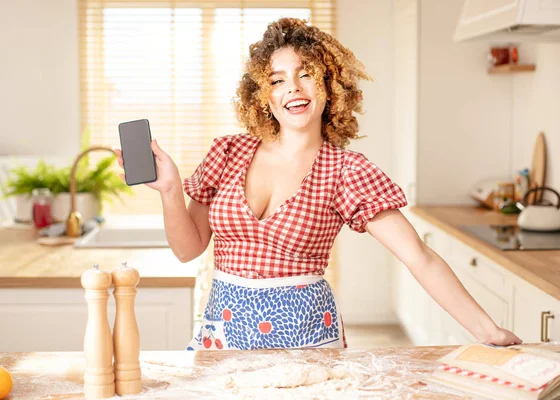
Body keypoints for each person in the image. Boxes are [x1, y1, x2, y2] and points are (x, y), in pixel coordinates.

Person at [115, 18, 522, 350]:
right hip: (224, 340)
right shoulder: (228, 152)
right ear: (263, 96)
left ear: (330, 86)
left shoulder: (346, 170)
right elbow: (188, 250)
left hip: (308, 344)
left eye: (306, 74)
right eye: (276, 80)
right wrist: (170, 191)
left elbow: (419, 257)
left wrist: (488, 331)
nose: (292, 87)